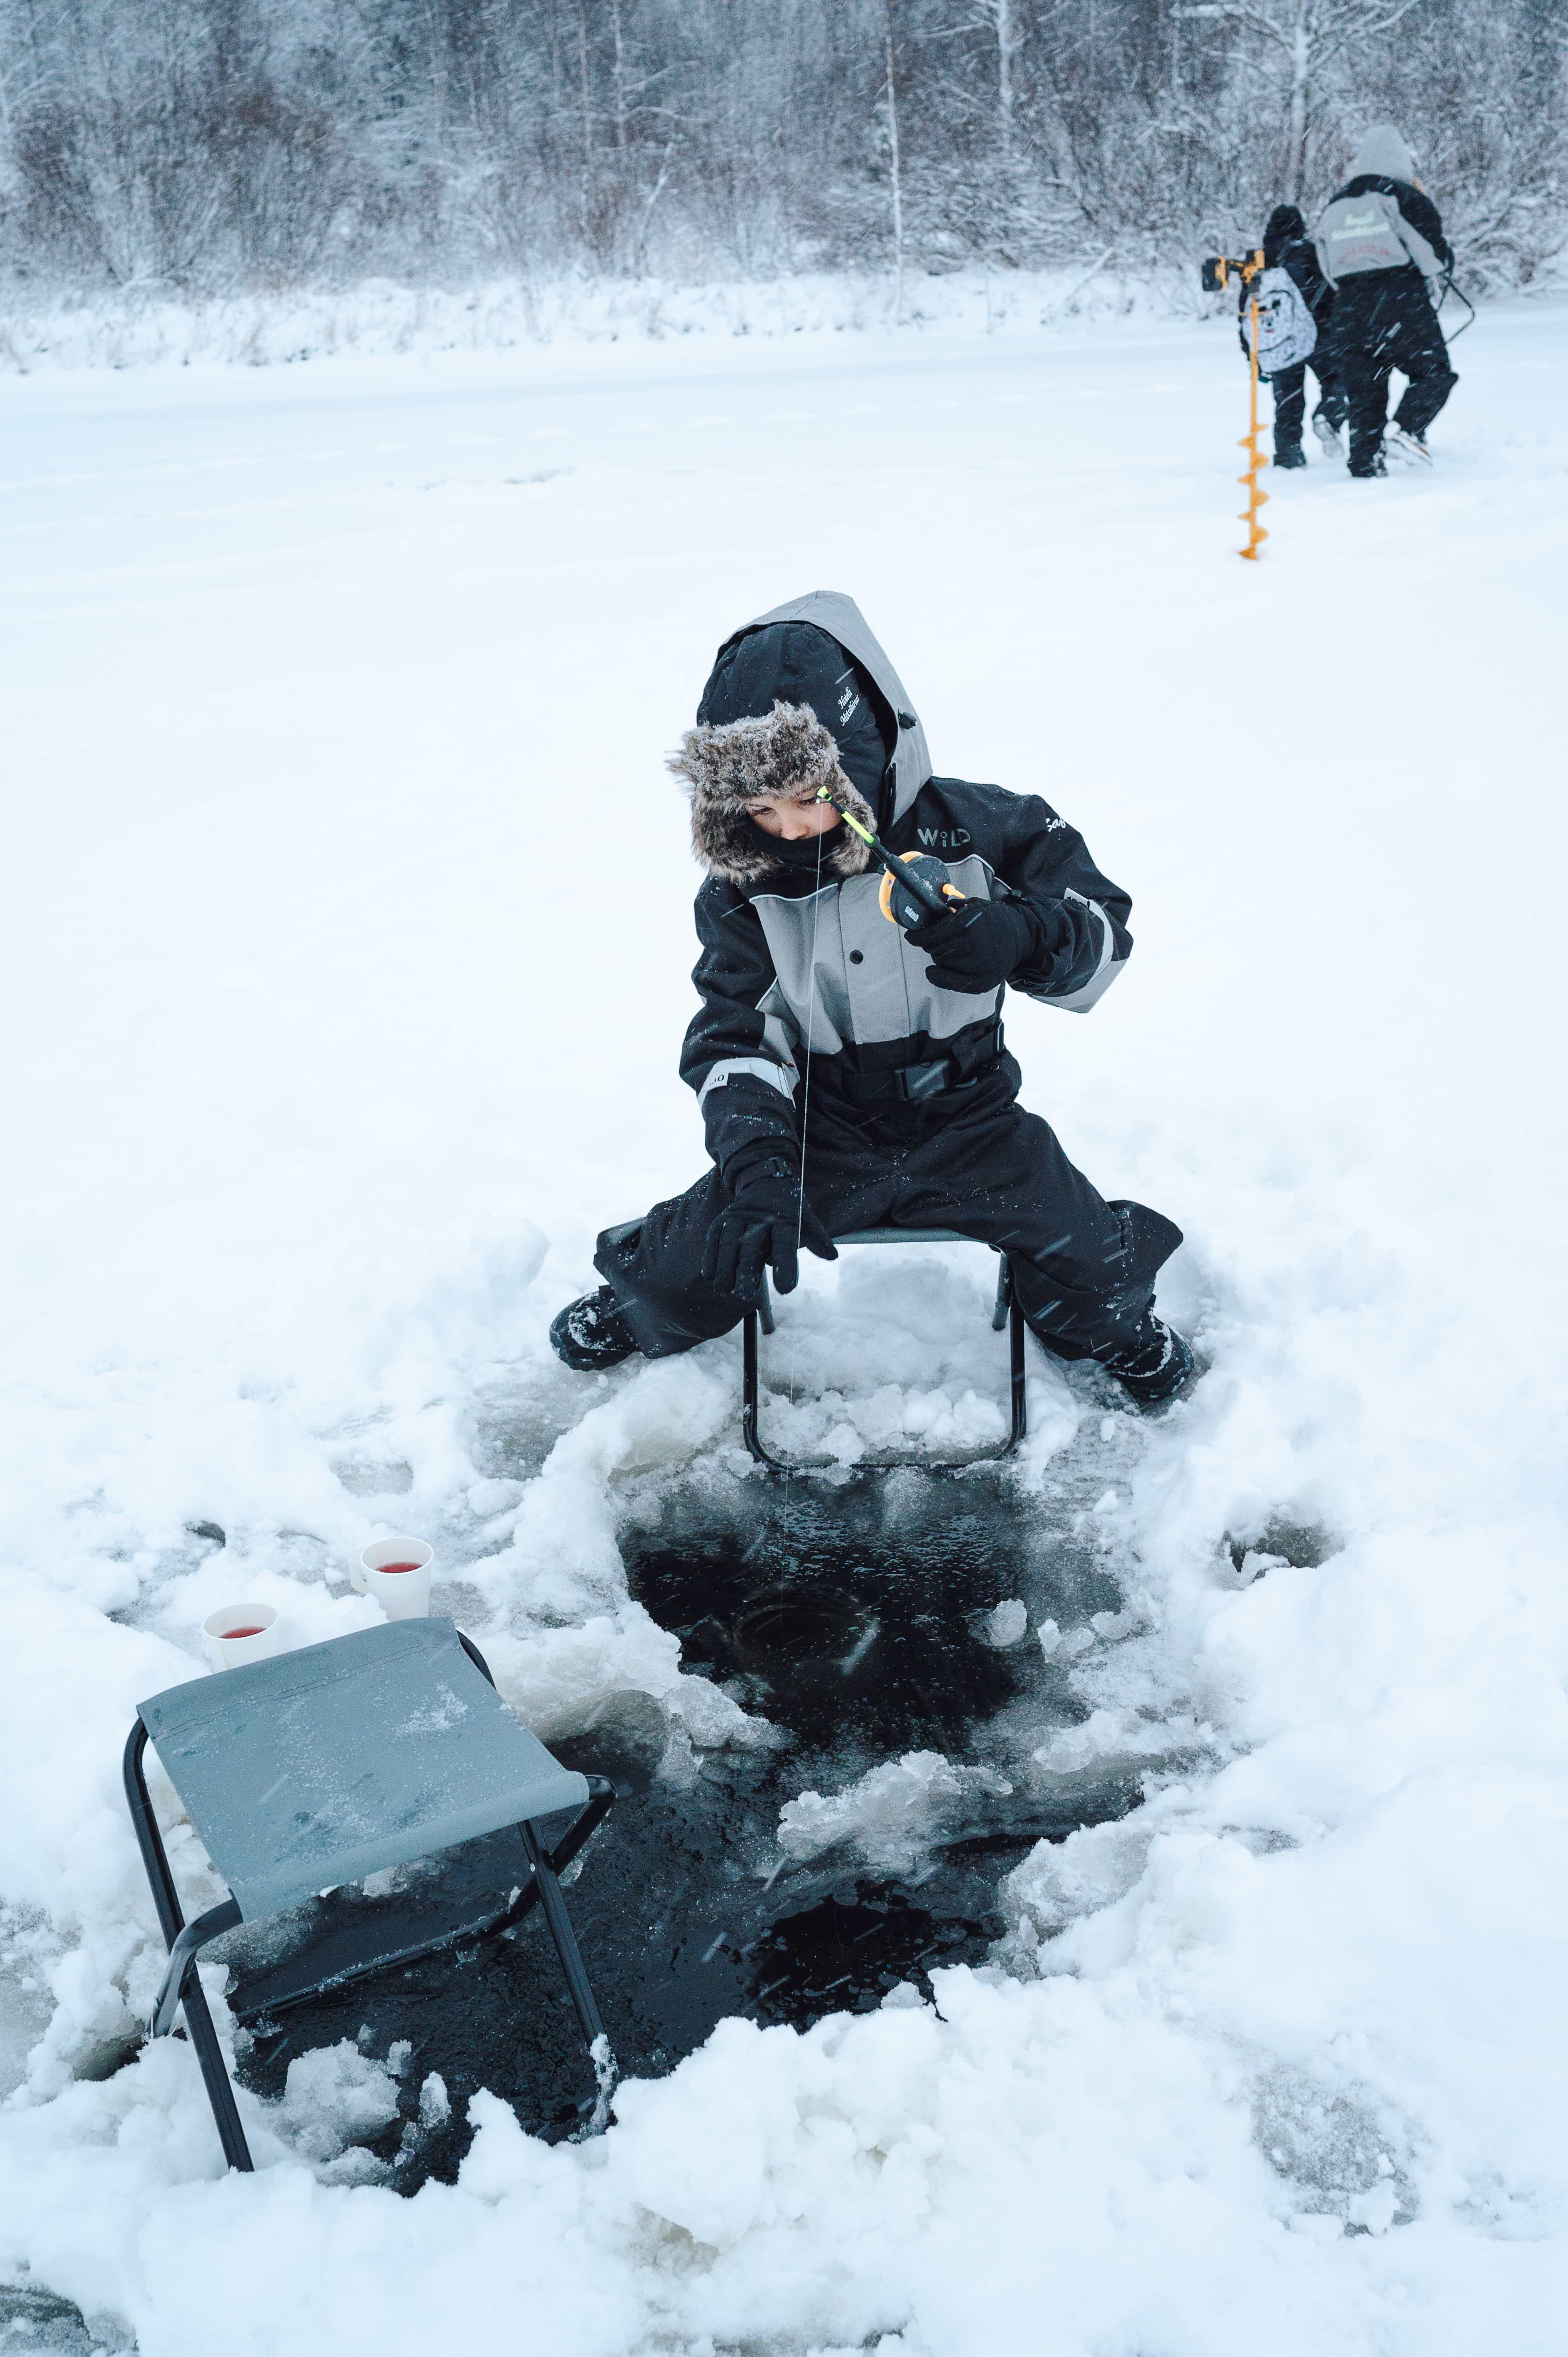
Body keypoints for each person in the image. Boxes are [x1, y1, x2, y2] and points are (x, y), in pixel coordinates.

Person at [549, 591, 1195, 1410]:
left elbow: (1101, 939)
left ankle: (1111, 1322)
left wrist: (1021, 935)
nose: (788, 828)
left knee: (1095, 1277)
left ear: (856, 759)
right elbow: (734, 1038)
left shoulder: (984, 828)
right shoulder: (742, 889)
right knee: (686, 1272)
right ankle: (634, 1295)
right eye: (759, 808)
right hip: (819, 1135)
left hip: (973, 1123)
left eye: (805, 796)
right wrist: (757, 1161)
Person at [1313, 124, 1457, 478]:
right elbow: (1432, 258)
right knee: (1434, 372)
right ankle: (1406, 429)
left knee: (1365, 393)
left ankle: (1366, 465)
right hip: (1399, 299)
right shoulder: (1401, 195)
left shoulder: (1335, 205)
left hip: (1349, 306)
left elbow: (1326, 266)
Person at [1239, 203, 1347, 468]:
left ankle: (1289, 458)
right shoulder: (1313, 252)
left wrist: (1253, 355)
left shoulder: (1256, 262)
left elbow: (1246, 312)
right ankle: (1329, 415)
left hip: (1279, 342)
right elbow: (1335, 292)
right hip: (1320, 335)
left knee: (1288, 402)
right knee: (1337, 381)